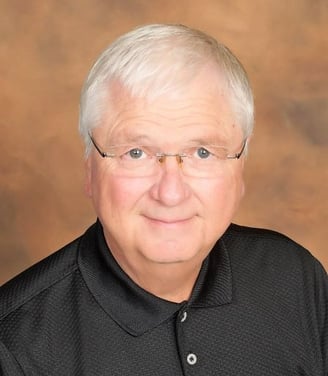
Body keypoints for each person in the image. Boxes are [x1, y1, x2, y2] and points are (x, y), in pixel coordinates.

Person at [0, 24, 326, 375]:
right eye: (136, 152)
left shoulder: (295, 278)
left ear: (240, 169)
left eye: (202, 152)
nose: (170, 193)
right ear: (90, 172)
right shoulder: (15, 344)